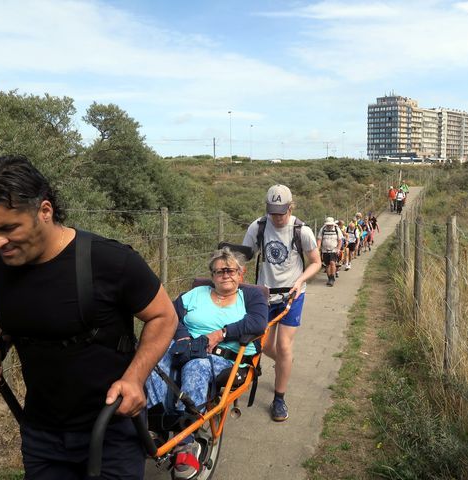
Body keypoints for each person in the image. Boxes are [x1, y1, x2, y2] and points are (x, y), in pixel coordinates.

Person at [0, 155, 178, 479]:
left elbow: (163, 315)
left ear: (44, 211)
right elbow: (11, 316)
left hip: (110, 429)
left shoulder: (109, 261)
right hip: (41, 433)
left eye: (8, 228)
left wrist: (135, 377)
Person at [146, 246, 268, 479]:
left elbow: (258, 323)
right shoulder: (196, 294)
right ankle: (157, 426)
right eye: (219, 271)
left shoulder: (250, 296)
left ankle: (186, 438)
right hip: (186, 348)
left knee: (197, 366)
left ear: (241, 274)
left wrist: (221, 333)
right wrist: (182, 337)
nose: (225, 275)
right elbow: (170, 315)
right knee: (154, 358)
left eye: (230, 270)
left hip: (223, 356)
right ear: (212, 275)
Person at [242, 185, 321, 422]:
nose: (277, 218)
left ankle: (279, 398)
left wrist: (300, 281)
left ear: (291, 207)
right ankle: (284, 364)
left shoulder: (301, 230)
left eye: (281, 212)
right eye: (273, 212)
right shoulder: (258, 227)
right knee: (263, 345)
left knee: (284, 347)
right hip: (264, 295)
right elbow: (244, 255)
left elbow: (316, 262)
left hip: (292, 294)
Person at [317, 216, 343, 287]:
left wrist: (338, 249)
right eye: (328, 224)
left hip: (334, 250)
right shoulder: (323, 229)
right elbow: (319, 239)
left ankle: (332, 277)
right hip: (324, 250)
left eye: (330, 224)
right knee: (327, 265)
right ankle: (329, 278)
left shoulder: (337, 229)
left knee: (332, 263)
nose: (329, 225)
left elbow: (340, 240)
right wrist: (318, 249)